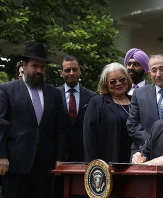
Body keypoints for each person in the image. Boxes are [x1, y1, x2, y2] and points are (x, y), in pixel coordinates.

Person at [0, 42, 66, 198]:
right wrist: (1, 156)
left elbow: (61, 128)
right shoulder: (7, 90)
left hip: (44, 166)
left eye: (42, 67)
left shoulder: (54, 93)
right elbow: (0, 126)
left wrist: (59, 159)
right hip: (15, 165)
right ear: (24, 65)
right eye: (35, 66)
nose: (39, 70)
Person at [53, 55, 96, 198]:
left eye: (74, 69)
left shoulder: (92, 97)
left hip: (84, 157)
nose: (71, 73)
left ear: (79, 71)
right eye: (67, 70)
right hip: (58, 158)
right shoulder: (53, 95)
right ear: (61, 73)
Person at [83, 62, 133, 163]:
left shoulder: (136, 101)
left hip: (134, 161)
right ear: (106, 84)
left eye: (122, 79)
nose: (118, 83)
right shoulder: (97, 102)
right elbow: (89, 137)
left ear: (127, 80)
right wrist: (94, 165)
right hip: (108, 163)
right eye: (112, 81)